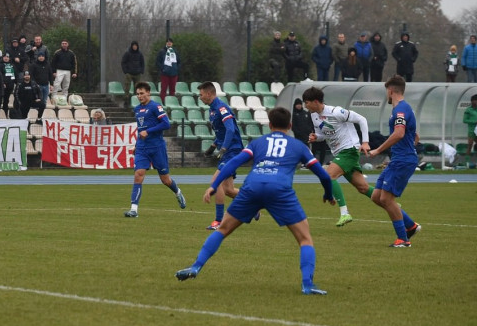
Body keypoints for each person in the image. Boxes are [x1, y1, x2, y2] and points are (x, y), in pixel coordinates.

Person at [174, 106, 334, 295]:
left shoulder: (258, 143)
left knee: (223, 229)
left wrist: (214, 184)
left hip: (252, 187)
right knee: (305, 238)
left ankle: (195, 266)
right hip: (279, 189)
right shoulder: (299, 146)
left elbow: (234, 162)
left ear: (270, 125)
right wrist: (328, 193)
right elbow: (323, 175)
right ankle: (307, 285)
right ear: (290, 125)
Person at [302, 86, 373, 228]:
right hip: (340, 153)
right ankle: (389, 202)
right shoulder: (314, 115)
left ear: (316, 101)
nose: (305, 105)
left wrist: (365, 142)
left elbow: (362, 119)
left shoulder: (336, 112)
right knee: (363, 188)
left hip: (349, 149)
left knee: (328, 175)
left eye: (307, 102)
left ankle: (344, 213)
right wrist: (317, 137)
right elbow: (323, 134)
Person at [366, 76, 422, 247]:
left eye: (386, 92)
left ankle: (403, 239)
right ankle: (410, 226)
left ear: (391, 91)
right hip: (400, 158)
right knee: (377, 196)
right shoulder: (403, 109)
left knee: (387, 199)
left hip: (402, 160)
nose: (386, 95)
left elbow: (399, 133)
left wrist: (378, 150)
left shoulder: (400, 110)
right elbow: (415, 136)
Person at [124, 81, 186, 218]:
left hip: (157, 148)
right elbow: (140, 130)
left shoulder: (155, 107)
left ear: (148, 93)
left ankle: (177, 192)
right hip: (142, 148)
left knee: (165, 180)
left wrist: (149, 131)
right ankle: (134, 209)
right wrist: (136, 144)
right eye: (138, 94)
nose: (139, 96)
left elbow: (166, 124)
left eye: (142, 93)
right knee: (138, 175)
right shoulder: (137, 109)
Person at [198, 81, 244, 230]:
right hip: (228, 150)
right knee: (228, 189)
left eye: (201, 94)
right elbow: (221, 133)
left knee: (216, 182)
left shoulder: (221, 108)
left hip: (233, 150)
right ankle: (253, 205)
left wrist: (223, 149)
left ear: (209, 94)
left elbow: (230, 130)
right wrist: (213, 147)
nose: (200, 97)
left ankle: (218, 221)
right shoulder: (212, 109)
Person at [0, 52, 18, 117]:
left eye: (7, 57)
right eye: (5, 57)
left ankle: (5, 114)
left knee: (6, 100)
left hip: (10, 85)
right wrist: (2, 83)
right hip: (2, 86)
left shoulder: (13, 65)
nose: (6, 58)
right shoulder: (0, 65)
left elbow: (16, 75)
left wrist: (17, 83)